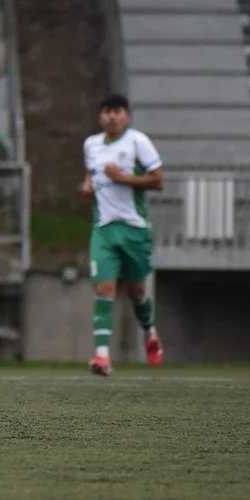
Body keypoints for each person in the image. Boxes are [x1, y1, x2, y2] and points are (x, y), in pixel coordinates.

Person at [80, 93, 165, 376]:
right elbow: (92, 175)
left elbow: (158, 181)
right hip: (103, 228)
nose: (112, 117)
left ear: (126, 116)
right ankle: (102, 356)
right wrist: (88, 186)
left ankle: (149, 332)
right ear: (100, 116)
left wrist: (123, 178)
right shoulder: (91, 145)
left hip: (134, 228)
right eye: (107, 111)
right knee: (104, 288)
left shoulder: (138, 142)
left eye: (117, 111)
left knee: (137, 292)